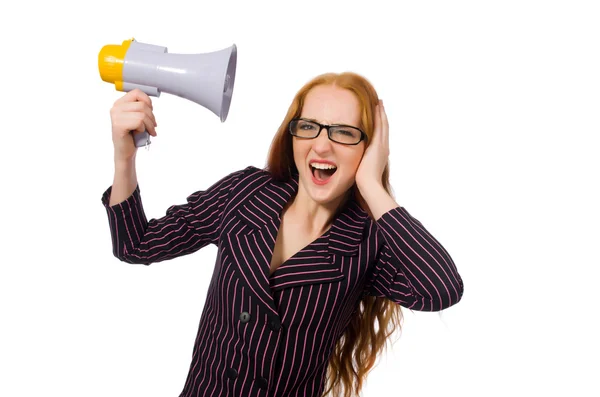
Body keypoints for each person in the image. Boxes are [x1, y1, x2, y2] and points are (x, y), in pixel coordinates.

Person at [101, 72, 464, 397]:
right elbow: (136, 244)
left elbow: (441, 289)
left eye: (344, 132)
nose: (322, 146)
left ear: (369, 149)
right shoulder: (246, 193)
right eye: (309, 126)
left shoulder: (366, 244)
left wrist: (372, 184)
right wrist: (124, 157)